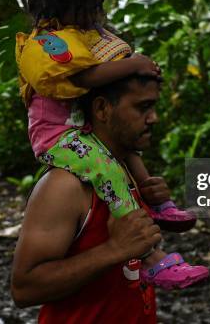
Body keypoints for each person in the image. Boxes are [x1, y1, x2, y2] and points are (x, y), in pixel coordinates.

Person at [14, 0, 208, 288]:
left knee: (124, 152)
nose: (154, 119)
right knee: (107, 165)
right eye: (141, 108)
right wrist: (134, 63)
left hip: (83, 131)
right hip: (57, 134)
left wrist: (148, 191)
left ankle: (158, 204)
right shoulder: (47, 45)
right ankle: (152, 257)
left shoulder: (84, 37)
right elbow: (82, 78)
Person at [11, 74, 166, 322]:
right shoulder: (64, 185)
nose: (153, 118)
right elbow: (24, 288)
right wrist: (114, 250)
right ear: (102, 109)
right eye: (142, 107)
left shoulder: (126, 171)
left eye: (154, 106)